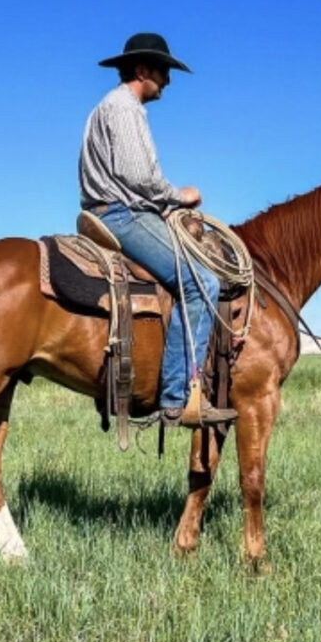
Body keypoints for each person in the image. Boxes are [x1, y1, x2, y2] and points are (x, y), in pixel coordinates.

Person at [78, 32, 237, 427]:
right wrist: (176, 196)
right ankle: (177, 397)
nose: (167, 80)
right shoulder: (124, 108)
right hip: (121, 214)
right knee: (202, 282)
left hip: (118, 208)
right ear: (142, 70)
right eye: (163, 71)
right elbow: (137, 175)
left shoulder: (112, 108)